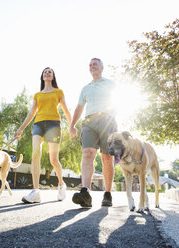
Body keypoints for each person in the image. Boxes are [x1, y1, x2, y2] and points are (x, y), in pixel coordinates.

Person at [15, 67, 71, 203]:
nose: (47, 73)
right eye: (45, 72)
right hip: (38, 124)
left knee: (53, 160)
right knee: (35, 155)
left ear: (53, 76)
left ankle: (61, 184)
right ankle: (36, 192)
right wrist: (21, 128)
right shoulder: (37, 95)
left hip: (53, 125)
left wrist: (72, 125)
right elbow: (31, 113)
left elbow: (65, 109)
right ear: (42, 76)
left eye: (49, 72)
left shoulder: (59, 92)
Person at [69, 58, 117, 207]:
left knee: (107, 157)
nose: (92, 67)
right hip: (89, 122)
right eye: (90, 65)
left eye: (95, 64)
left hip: (107, 122)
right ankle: (85, 192)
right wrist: (72, 125)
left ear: (102, 67)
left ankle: (107, 193)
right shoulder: (86, 88)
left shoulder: (110, 84)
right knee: (88, 152)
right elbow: (79, 108)